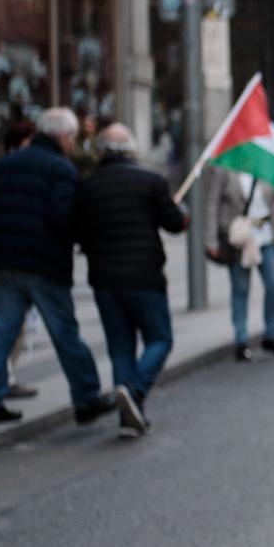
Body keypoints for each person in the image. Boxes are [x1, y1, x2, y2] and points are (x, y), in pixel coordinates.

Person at [0, 108, 114, 425]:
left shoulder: (5, 165)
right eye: (73, 138)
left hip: (6, 263)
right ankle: (87, 397)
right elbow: (64, 218)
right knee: (66, 334)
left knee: (2, 334)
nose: (73, 144)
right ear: (62, 137)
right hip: (44, 265)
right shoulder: (60, 169)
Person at [73, 124, 187, 434]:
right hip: (144, 274)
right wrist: (179, 207)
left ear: (101, 151)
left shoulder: (88, 186)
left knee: (120, 346)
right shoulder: (151, 181)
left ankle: (128, 414)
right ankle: (134, 391)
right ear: (132, 149)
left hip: (105, 278)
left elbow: (79, 232)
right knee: (160, 338)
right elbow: (175, 223)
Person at [211, 161, 274, 363]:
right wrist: (210, 239)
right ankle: (241, 340)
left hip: (266, 236)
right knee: (240, 288)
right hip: (239, 238)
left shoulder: (265, 165)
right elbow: (211, 204)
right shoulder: (225, 168)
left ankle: (271, 334)